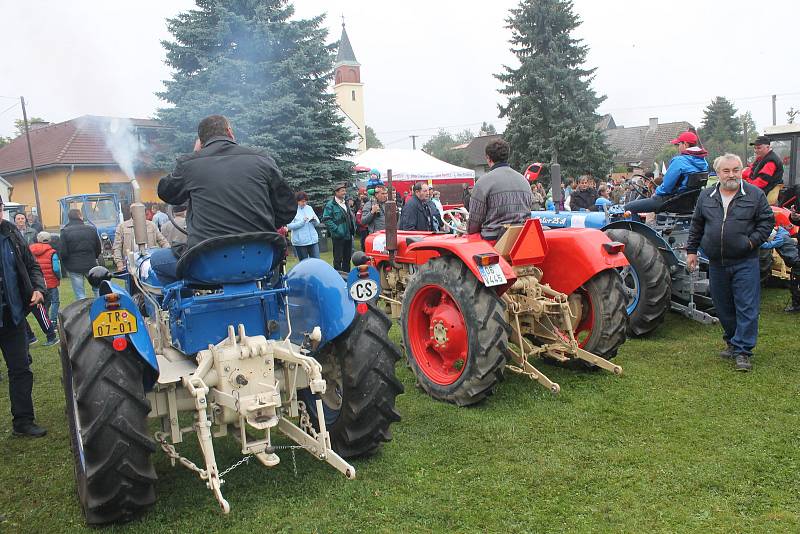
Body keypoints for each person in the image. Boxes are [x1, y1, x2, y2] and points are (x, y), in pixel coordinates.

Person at [153, 115, 295, 282]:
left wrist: (195, 155)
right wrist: (264, 223)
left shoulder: (189, 164)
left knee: (156, 261)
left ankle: (186, 306)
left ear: (201, 141)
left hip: (208, 261)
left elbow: (166, 192)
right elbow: (287, 209)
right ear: (230, 132)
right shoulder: (262, 159)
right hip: (261, 257)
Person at [686, 154, 774, 372]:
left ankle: (743, 351)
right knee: (723, 306)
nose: (732, 174)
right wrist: (691, 251)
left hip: (745, 260)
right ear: (718, 174)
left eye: (736, 170)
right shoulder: (707, 196)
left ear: (741, 170)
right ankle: (732, 342)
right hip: (717, 262)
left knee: (746, 306)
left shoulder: (755, 195)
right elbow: (697, 224)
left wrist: (751, 242)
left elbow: (766, 222)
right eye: (726, 171)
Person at [0, 196, 48, 437]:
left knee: (20, 369)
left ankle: (23, 421)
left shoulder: (11, 235)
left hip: (12, 316)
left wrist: (38, 288)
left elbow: (32, 266)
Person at [626, 131, 709, 214]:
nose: (678, 147)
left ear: (686, 144)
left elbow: (666, 187)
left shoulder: (679, 161)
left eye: (679, 144)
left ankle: (632, 226)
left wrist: (656, 192)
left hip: (671, 201)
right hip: (691, 203)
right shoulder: (704, 162)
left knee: (628, 207)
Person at [466, 139, 533, 240]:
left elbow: (474, 222)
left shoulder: (483, 183)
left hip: (494, 239)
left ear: (488, 158)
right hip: (521, 239)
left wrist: (467, 228)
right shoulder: (524, 181)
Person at [760, 210, 800, 312]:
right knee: (794, 283)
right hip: (795, 262)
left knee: (795, 284)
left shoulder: (780, 239)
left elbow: (769, 245)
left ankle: (796, 305)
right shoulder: (783, 233)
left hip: (796, 262)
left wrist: (757, 242)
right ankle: (796, 304)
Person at [60, 208, 101, 299]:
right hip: (91, 263)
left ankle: (83, 312)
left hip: (74, 266)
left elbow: (63, 251)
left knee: (80, 294)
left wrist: (67, 264)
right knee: (97, 289)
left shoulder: (64, 231)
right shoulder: (91, 229)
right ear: (80, 216)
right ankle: (100, 309)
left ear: (69, 218)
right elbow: (98, 247)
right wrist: (94, 257)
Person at [112, 206, 169, 271]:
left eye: (141, 212)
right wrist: (119, 264)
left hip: (149, 263)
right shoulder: (122, 227)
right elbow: (117, 247)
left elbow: (163, 241)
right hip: (131, 264)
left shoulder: (151, 225)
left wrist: (168, 255)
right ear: (132, 214)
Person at [28, 232, 61, 346]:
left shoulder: (29, 250)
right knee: (54, 301)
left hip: (36, 283)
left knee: (42, 306)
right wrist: (58, 277)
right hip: (49, 282)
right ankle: (52, 322)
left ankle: (32, 335)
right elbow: (56, 268)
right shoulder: (52, 252)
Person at [323, 183, 356, 272]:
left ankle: (347, 277)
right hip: (338, 236)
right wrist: (337, 230)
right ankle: (338, 278)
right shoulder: (330, 205)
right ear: (336, 192)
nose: (344, 192)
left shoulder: (345, 203)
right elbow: (326, 219)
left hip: (348, 235)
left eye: (345, 191)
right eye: (342, 191)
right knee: (338, 259)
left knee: (347, 258)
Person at [743, 134, 784, 202]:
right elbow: (749, 171)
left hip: (765, 193)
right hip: (758, 190)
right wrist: (738, 177)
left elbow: (761, 182)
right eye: (755, 148)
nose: (756, 150)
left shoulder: (771, 161)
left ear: (768, 147)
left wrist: (746, 185)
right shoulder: (760, 158)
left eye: (759, 148)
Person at [287, 191, 320, 261]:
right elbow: (289, 226)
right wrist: (302, 222)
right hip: (300, 242)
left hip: (313, 240)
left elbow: (318, 222)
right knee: (304, 264)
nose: (304, 203)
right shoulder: (292, 210)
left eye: (305, 201)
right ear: (297, 201)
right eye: (302, 201)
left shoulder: (309, 208)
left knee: (317, 262)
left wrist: (314, 221)